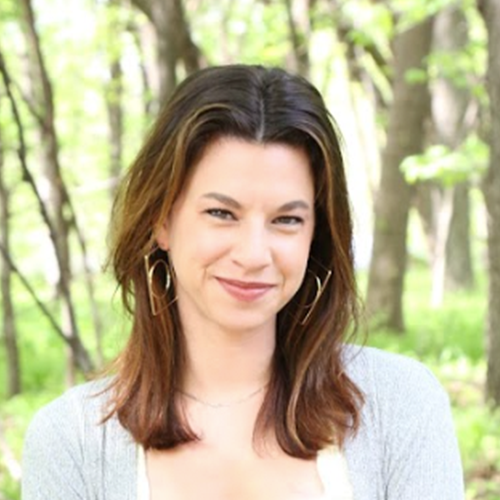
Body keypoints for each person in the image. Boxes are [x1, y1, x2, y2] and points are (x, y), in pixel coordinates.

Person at [22, 64, 464, 500]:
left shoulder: (401, 404)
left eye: (286, 219)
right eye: (221, 213)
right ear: (161, 219)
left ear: (316, 235)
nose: (253, 254)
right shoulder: (71, 441)